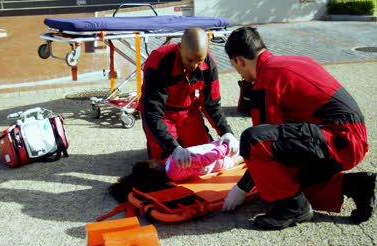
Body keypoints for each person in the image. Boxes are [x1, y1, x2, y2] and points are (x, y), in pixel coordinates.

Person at [221, 26, 376, 230]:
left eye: (235, 66)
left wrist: (241, 188)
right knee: (285, 181)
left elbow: (261, 143)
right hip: (350, 137)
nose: (238, 72)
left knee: (252, 142)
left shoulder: (266, 81)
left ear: (239, 60)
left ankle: (293, 208)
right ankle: (356, 186)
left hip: (338, 139)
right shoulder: (295, 61)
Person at [140, 27, 238, 169]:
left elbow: (212, 104)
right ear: (179, 47)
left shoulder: (209, 64)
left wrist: (226, 132)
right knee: (166, 166)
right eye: (189, 60)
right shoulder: (158, 62)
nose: (194, 66)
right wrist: (174, 148)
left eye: (199, 61)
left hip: (188, 111)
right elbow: (152, 114)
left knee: (203, 157)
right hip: (162, 114)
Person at [108, 141, 242, 203]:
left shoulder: (168, 169)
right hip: (217, 158)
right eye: (151, 162)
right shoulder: (174, 166)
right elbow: (205, 160)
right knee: (241, 155)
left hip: (213, 154)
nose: (153, 160)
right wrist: (223, 148)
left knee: (240, 153)